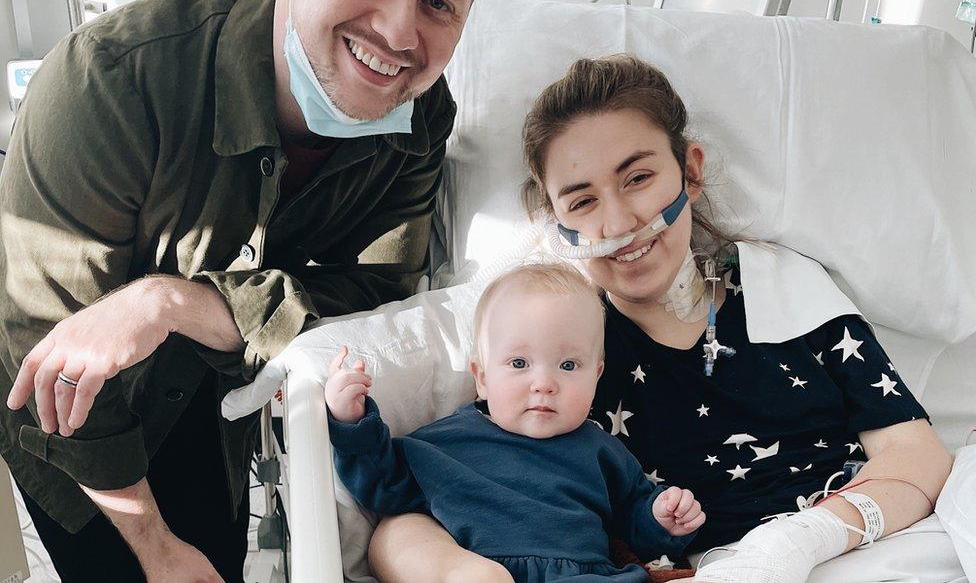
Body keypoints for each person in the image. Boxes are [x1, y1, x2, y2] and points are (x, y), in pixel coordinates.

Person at [0, 0, 505, 581]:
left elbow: (372, 293)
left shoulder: (420, 120)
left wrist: (177, 302)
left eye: (437, 3)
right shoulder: (106, 88)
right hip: (77, 425)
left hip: (213, 391)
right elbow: (47, 365)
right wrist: (155, 548)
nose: (399, 34)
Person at [367, 55, 960, 583]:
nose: (618, 220)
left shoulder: (786, 288)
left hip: (880, 540)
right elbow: (420, 516)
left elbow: (921, 456)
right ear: (556, 222)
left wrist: (799, 540)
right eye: (582, 200)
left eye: (638, 178)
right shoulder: (565, 352)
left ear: (691, 172)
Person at [326, 263, 706, 583]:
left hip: (578, 575)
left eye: (569, 365)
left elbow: (635, 524)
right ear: (482, 377)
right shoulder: (445, 442)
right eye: (520, 364)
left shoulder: (602, 450)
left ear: (597, 376)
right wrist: (352, 419)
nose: (544, 384)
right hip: (474, 565)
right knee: (398, 532)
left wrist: (662, 518)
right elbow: (381, 486)